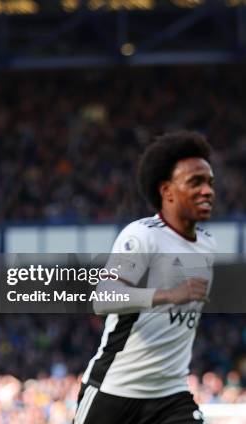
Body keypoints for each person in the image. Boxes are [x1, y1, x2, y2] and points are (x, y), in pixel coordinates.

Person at [74, 131, 216, 424]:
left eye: (210, 182)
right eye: (195, 182)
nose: (208, 191)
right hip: (114, 390)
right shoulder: (142, 236)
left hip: (171, 394)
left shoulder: (207, 244)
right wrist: (169, 295)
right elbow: (103, 299)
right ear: (167, 191)